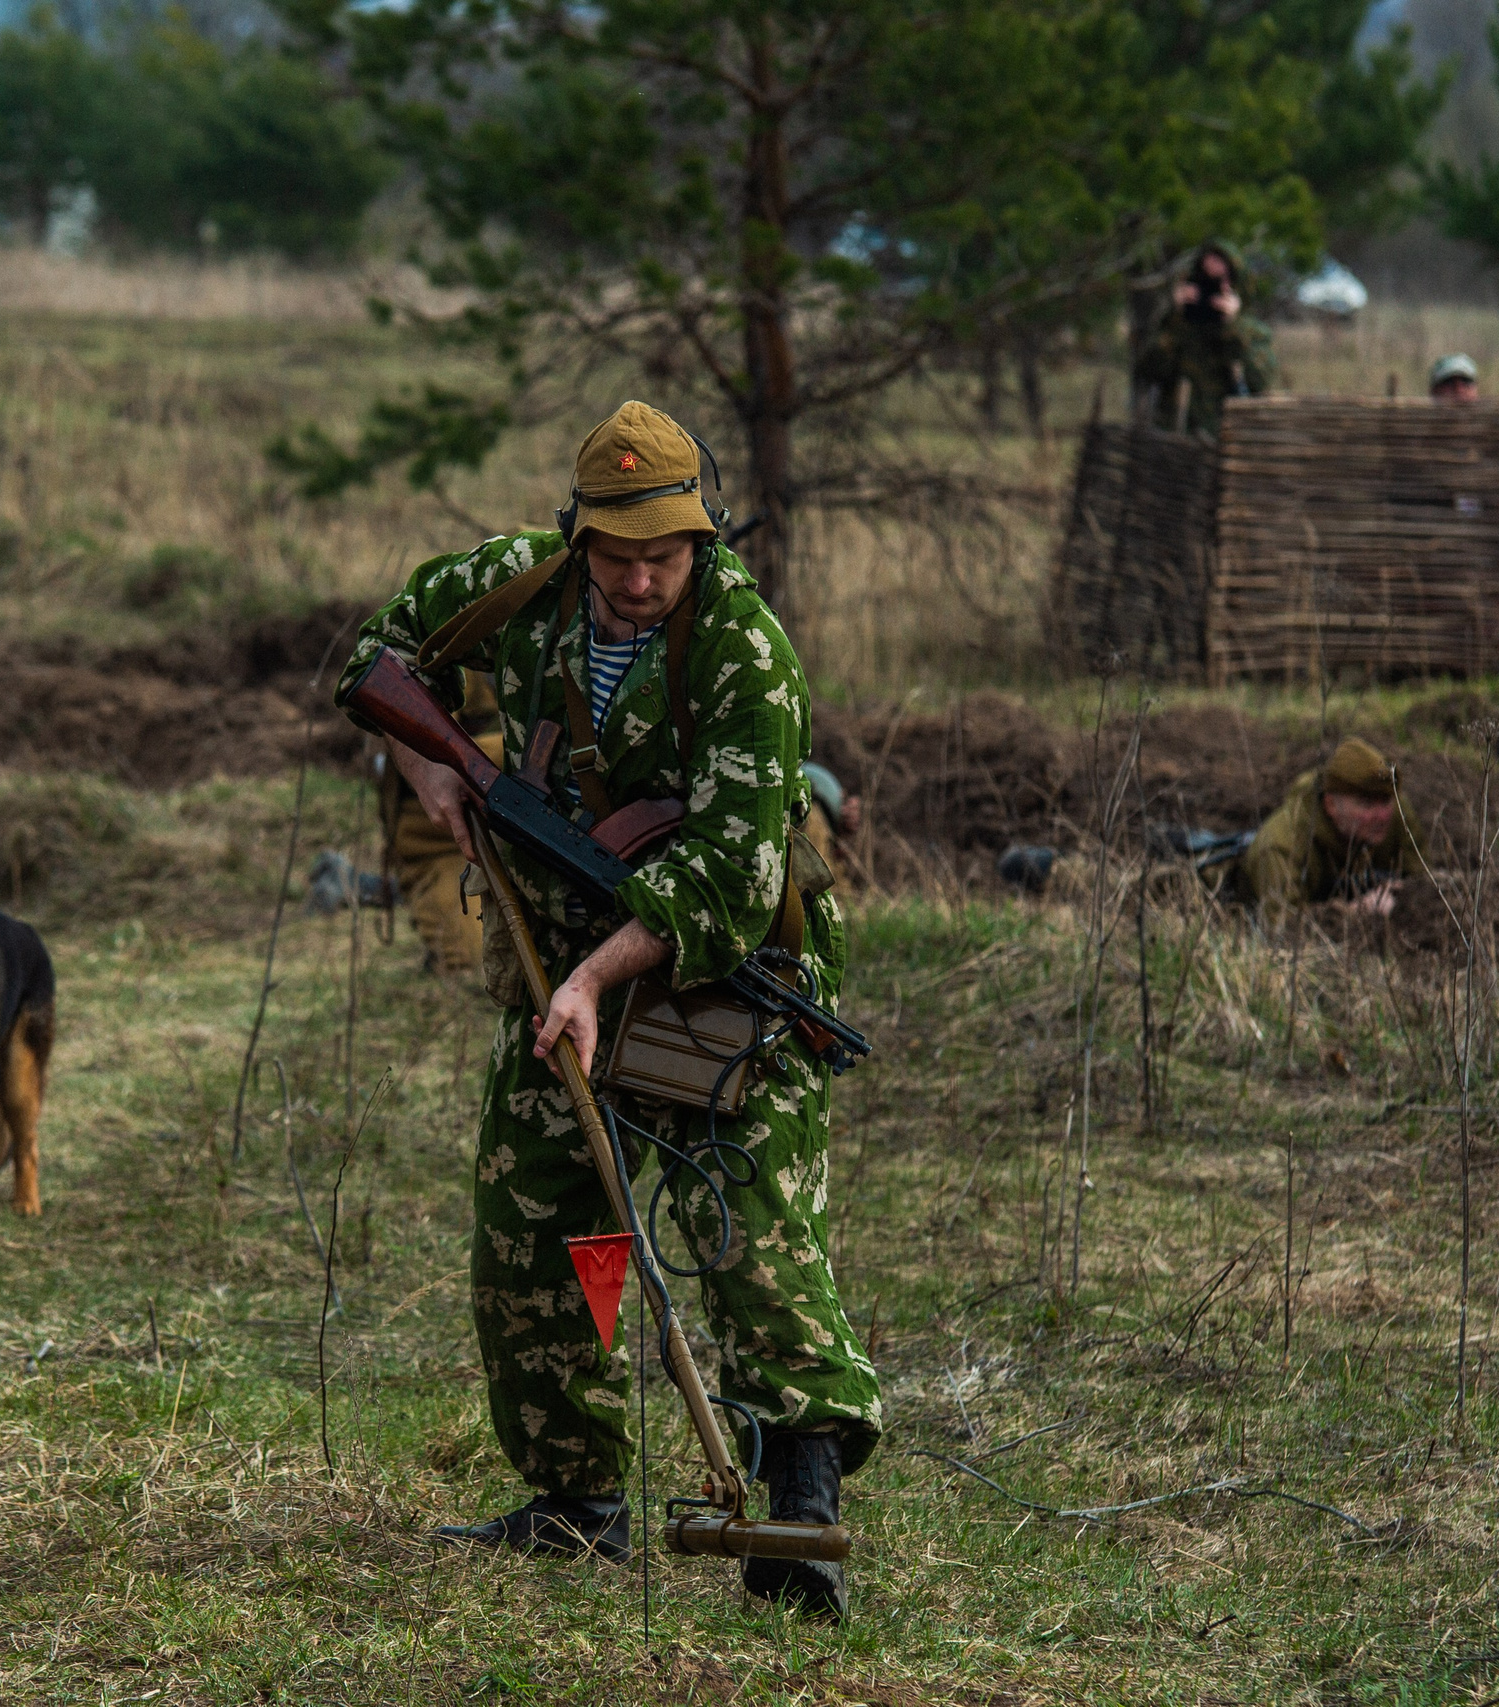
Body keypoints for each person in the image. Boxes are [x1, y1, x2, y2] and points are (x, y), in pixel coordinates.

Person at [338, 401, 880, 1619]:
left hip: (725, 971)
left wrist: (595, 977)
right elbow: (372, 653)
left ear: (705, 536)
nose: (638, 581)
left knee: (749, 1231)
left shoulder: (743, 649)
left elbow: (736, 877)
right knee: (533, 1217)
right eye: (616, 554)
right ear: (576, 533)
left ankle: (796, 1518)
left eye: (665, 556)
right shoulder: (517, 585)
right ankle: (572, 1500)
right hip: (562, 960)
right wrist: (429, 765)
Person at [1225, 737, 1427, 925]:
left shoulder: (1396, 814)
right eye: (1366, 804)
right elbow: (1283, 928)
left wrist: (1400, 892)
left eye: (1385, 801)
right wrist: (1353, 912)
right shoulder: (1281, 845)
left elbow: (1425, 885)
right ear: (1330, 805)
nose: (1382, 815)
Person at [379, 671, 503, 975]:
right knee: (478, 969)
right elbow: (415, 724)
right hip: (443, 843)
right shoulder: (450, 638)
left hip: (534, 840)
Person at [1135, 241, 1277, 438]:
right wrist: (1179, 318)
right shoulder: (1174, 324)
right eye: (1204, 280)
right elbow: (1146, 372)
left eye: (1218, 282)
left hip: (1227, 436)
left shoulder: (1251, 332)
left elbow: (1260, 382)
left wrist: (1232, 327)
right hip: (1175, 435)